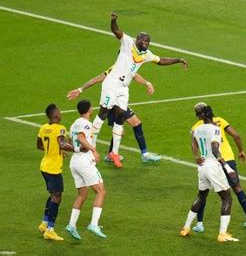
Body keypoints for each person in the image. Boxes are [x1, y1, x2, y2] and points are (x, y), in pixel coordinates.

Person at [90, 12, 188, 168]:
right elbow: (116, 31)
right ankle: (91, 147)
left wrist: (178, 59)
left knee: (121, 117)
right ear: (136, 39)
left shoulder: (146, 54)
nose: (145, 42)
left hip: (123, 88)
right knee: (102, 114)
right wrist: (113, 20)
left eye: (148, 40)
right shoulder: (127, 42)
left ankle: (114, 153)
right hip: (112, 83)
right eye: (143, 39)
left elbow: (161, 60)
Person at [66, 67, 160, 163]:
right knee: (120, 132)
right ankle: (108, 154)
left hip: (120, 103)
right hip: (110, 104)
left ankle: (144, 154)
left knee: (137, 123)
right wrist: (80, 89)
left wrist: (147, 83)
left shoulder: (128, 66)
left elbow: (135, 75)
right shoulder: (114, 69)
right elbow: (97, 78)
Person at [190, 102, 246, 231]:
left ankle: (199, 224)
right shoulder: (220, 120)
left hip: (211, 162)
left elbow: (194, 143)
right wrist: (241, 151)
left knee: (203, 193)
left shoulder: (196, 126)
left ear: (198, 115)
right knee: (237, 188)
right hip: (228, 159)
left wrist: (196, 156)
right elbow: (236, 135)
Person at [180, 106, 239, 242]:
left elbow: (193, 142)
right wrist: (228, 168)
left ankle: (186, 228)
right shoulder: (215, 129)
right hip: (213, 166)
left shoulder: (197, 129)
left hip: (202, 167)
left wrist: (195, 156)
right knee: (227, 199)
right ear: (211, 114)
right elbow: (214, 149)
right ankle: (222, 234)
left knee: (201, 196)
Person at [65, 100, 107, 240]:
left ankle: (71, 225)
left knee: (82, 195)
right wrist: (94, 150)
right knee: (101, 191)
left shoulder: (73, 124)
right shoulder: (86, 124)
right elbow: (80, 137)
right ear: (89, 110)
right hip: (84, 161)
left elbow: (70, 143)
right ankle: (93, 224)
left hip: (75, 162)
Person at [37, 104, 75, 241]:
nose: (61, 112)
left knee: (53, 194)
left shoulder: (43, 128)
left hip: (44, 166)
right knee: (57, 197)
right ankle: (50, 230)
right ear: (56, 115)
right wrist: (76, 149)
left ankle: (44, 223)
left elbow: (39, 145)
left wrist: (56, 151)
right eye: (59, 110)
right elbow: (62, 143)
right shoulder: (60, 128)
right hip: (53, 168)